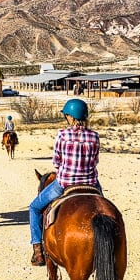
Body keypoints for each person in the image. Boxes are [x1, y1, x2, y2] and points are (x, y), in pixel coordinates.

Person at [27, 99, 100, 266]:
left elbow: (56, 162)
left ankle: (38, 250)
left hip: (65, 183)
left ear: (70, 117)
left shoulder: (62, 134)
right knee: (103, 206)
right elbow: (95, 161)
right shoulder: (94, 136)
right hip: (90, 183)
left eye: (66, 115)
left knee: (34, 207)